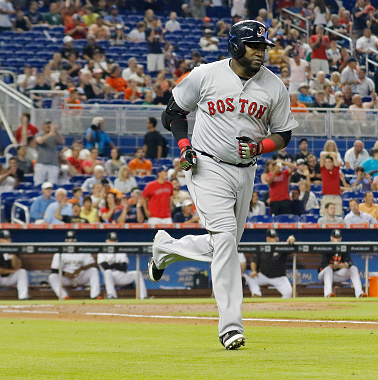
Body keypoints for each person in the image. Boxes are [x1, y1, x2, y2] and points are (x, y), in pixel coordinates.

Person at [149, 20, 297, 351]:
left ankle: (165, 248)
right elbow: (172, 112)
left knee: (223, 245)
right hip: (206, 164)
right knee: (226, 239)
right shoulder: (206, 75)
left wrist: (261, 147)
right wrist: (184, 144)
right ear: (234, 46)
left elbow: (284, 133)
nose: (261, 52)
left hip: (246, 172)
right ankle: (230, 326)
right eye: (254, 46)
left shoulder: (274, 87)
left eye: (263, 47)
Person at [48, 231, 101, 300]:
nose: (71, 241)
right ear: (65, 240)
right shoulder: (60, 250)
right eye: (69, 239)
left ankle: (95, 295)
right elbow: (54, 269)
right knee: (52, 277)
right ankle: (64, 297)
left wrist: (80, 269)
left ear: (76, 240)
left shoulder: (82, 249)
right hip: (66, 278)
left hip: (80, 276)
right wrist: (65, 273)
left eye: (73, 239)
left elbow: (92, 264)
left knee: (94, 271)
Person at [97, 232, 148, 299]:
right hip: (109, 277)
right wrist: (117, 265)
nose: (113, 242)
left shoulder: (121, 250)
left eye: (115, 240)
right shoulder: (102, 252)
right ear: (107, 241)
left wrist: (112, 265)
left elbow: (124, 267)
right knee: (107, 272)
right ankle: (112, 296)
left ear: (117, 241)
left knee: (137, 273)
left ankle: (143, 296)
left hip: (121, 275)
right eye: (111, 240)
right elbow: (106, 267)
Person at [246, 229, 295, 298]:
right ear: (268, 239)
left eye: (276, 237)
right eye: (273, 238)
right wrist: (254, 271)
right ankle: (257, 296)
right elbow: (254, 261)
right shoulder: (262, 247)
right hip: (264, 276)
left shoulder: (281, 246)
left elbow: (290, 244)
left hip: (279, 277)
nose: (276, 239)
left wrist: (291, 238)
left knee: (288, 292)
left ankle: (282, 307)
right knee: (251, 279)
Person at [318, 229, 365, 298]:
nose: (337, 239)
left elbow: (349, 263)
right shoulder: (326, 247)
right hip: (324, 274)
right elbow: (325, 265)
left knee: (353, 268)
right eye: (335, 237)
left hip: (337, 275)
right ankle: (328, 294)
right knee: (328, 269)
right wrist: (340, 266)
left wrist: (339, 266)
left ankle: (359, 293)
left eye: (338, 237)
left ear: (341, 238)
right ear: (331, 238)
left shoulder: (343, 247)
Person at [0, 230, 29, 300]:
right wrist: (11, 271)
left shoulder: (13, 248)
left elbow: (18, 267)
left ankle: (23, 297)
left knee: (22, 272)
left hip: (10, 278)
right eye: (5, 239)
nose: (8, 240)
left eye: (9, 238)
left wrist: (13, 254)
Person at [34, 121, 63, 186]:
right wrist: (50, 133)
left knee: (53, 184)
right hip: (41, 163)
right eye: (46, 124)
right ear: (42, 126)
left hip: (53, 163)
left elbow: (61, 141)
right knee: (39, 183)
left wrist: (56, 132)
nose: (48, 126)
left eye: (49, 124)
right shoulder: (39, 134)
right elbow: (39, 141)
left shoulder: (54, 135)